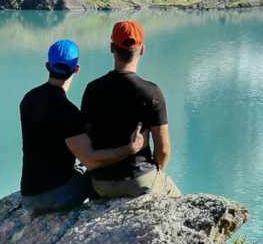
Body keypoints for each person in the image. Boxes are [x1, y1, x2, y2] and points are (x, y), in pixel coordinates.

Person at [19, 39, 144, 214]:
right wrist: (130, 148)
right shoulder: (68, 112)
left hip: (28, 195)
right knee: (99, 178)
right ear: (76, 69)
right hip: (55, 196)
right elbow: (91, 160)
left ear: (48, 65)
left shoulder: (28, 99)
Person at [81, 20, 173, 198]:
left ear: (111, 48)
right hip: (140, 180)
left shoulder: (92, 89)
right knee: (179, 203)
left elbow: (86, 139)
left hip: (101, 183)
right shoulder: (152, 92)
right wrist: (156, 173)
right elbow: (163, 149)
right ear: (142, 49)